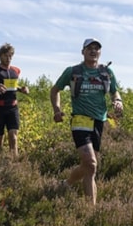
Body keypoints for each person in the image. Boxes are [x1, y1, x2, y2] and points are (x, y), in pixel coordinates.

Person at [50, 38, 123, 205]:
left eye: (97, 48)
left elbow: (115, 92)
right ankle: (91, 212)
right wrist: (56, 109)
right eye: (89, 48)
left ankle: (67, 184)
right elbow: (55, 90)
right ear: (82, 51)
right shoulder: (72, 71)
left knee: (90, 168)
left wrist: (118, 101)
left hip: (99, 121)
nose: (93, 51)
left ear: (100, 52)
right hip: (79, 121)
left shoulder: (106, 72)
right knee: (91, 163)